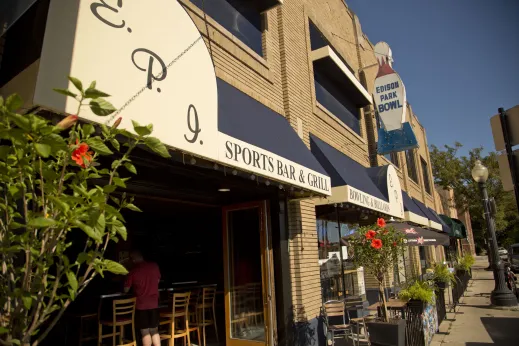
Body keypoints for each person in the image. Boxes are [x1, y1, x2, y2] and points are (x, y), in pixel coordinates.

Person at [124, 250, 161, 346]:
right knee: (154, 330)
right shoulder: (154, 266)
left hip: (141, 305)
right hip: (154, 303)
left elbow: (126, 289)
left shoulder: (133, 271)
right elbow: (157, 281)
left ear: (133, 259)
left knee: (145, 332)